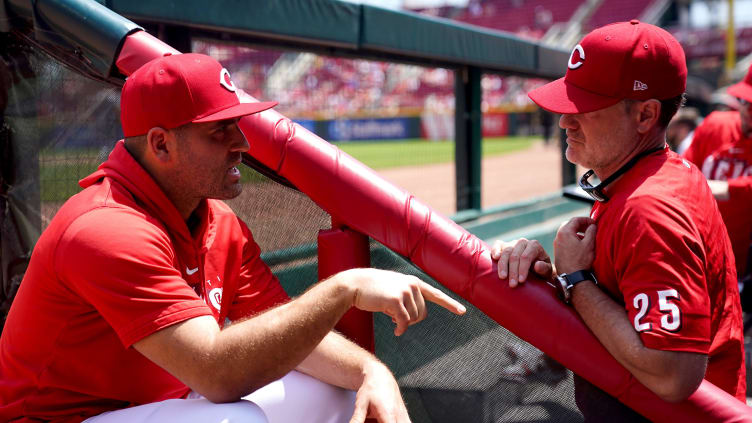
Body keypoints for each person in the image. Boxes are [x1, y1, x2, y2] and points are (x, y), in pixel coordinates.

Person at [0, 53, 467, 423]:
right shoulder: (106, 228)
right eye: (219, 131)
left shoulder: (217, 220)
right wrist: (344, 288)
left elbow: (286, 335)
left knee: (339, 390)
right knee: (236, 417)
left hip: (160, 407)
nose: (241, 142)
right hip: (63, 419)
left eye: (238, 124)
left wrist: (373, 371)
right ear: (161, 144)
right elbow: (218, 373)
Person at [491, 21, 745, 421]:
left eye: (585, 107)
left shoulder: (650, 208)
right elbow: (624, 308)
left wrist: (577, 281)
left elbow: (675, 375)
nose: (564, 121)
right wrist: (555, 278)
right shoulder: (652, 176)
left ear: (646, 114)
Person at [683, 66, 752, 311]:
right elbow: (684, 173)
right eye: (746, 101)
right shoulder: (716, 125)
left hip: (743, 270)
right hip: (698, 260)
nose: (749, 110)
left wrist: (729, 188)